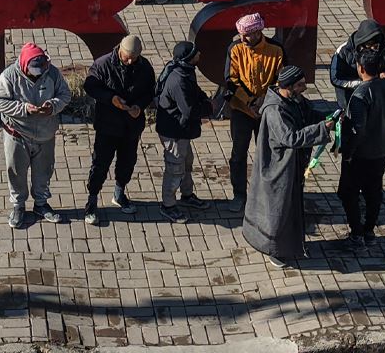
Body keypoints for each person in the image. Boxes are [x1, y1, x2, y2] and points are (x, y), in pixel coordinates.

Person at [242, 66, 334, 267]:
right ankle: (275, 250)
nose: (304, 88)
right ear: (288, 86)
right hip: (279, 169)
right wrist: (321, 129)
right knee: (279, 210)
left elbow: (308, 115)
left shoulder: (295, 100)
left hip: (293, 167)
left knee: (291, 208)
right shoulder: (275, 111)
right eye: (300, 85)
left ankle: (290, 245)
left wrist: (330, 117)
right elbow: (290, 138)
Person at [0, 42, 71, 229]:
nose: (38, 74)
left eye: (41, 70)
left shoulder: (52, 73)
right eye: (33, 71)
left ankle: (41, 204)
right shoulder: (9, 76)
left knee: (44, 171)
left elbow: (65, 95)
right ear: (24, 65)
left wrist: (52, 106)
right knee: (16, 172)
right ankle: (18, 206)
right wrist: (24, 109)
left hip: (46, 135)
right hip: (17, 134)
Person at [338, 49, 385, 247]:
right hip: (382, 151)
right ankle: (369, 231)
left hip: (360, 154)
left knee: (348, 192)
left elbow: (358, 128)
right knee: (373, 191)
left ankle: (357, 233)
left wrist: (348, 153)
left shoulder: (361, 94)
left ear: (360, 68)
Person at [81, 35, 155, 226]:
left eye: (134, 58)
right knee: (100, 164)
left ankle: (119, 193)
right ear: (120, 50)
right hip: (107, 125)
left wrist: (139, 106)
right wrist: (110, 98)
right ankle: (92, 201)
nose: (130, 61)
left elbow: (150, 91)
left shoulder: (144, 67)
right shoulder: (103, 64)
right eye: (127, 57)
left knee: (127, 162)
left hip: (131, 126)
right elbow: (90, 86)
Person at [224, 13, 282, 212]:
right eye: (241, 34)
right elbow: (231, 80)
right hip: (241, 110)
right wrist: (249, 101)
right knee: (238, 154)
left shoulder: (276, 50)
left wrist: (264, 100)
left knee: (267, 154)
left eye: (246, 35)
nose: (242, 38)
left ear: (258, 32)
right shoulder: (235, 49)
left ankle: (266, 194)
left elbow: (281, 80)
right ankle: (239, 194)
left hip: (267, 111)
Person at [154, 41, 213, 223]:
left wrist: (204, 98)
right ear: (188, 58)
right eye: (196, 53)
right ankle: (168, 205)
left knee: (187, 162)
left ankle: (186, 195)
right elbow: (189, 110)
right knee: (175, 168)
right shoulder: (178, 80)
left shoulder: (185, 70)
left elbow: (194, 91)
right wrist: (210, 107)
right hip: (174, 132)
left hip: (181, 130)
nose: (199, 54)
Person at [329, 18, 385, 111]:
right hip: (349, 94)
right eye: (369, 46)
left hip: (375, 94)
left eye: (376, 47)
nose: (373, 50)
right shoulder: (343, 51)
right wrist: (362, 83)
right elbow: (335, 78)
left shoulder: (384, 48)